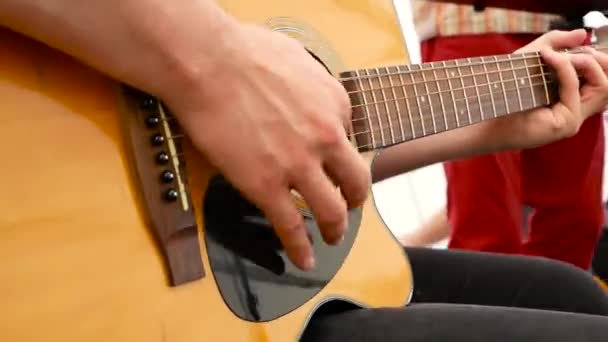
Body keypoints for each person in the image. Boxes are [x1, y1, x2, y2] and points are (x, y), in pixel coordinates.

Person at [2, 1, 608, 340]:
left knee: (570, 292)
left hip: (222, 281)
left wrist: (488, 127)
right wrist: (212, 62)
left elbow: (321, 133)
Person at [395, 1, 606, 271]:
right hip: (469, 22)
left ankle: (552, 309)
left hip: (569, 21)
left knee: (576, 221)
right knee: (487, 227)